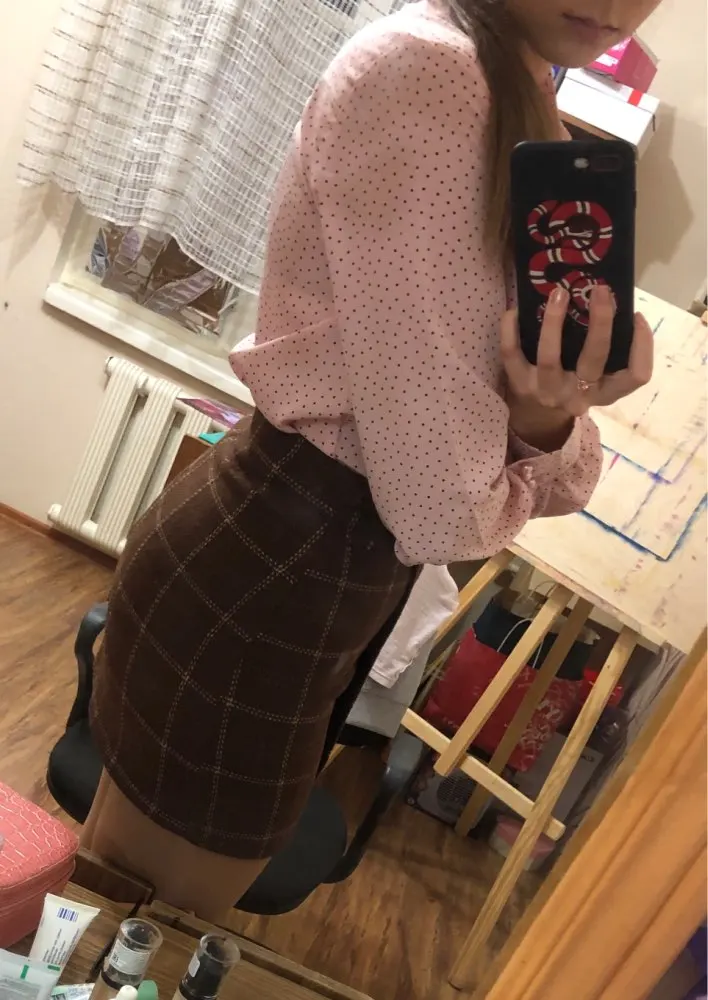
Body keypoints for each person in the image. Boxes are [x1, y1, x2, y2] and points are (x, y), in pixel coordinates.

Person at [82, 0, 657, 919]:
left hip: (297, 571)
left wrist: (543, 420)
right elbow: (442, 511)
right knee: (132, 934)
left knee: (109, 922)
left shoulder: (513, 84)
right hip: (277, 573)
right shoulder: (436, 72)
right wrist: (542, 436)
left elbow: (481, 454)